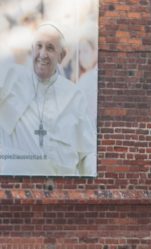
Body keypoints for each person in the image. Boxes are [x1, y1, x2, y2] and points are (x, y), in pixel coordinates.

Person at [0, 23, 96, 176]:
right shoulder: (11, 78)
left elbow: (87, 154)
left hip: (62, 188)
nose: (42, 54)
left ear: (61, 55)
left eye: (50, 48)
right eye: (38, 46)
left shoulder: (74, 95)